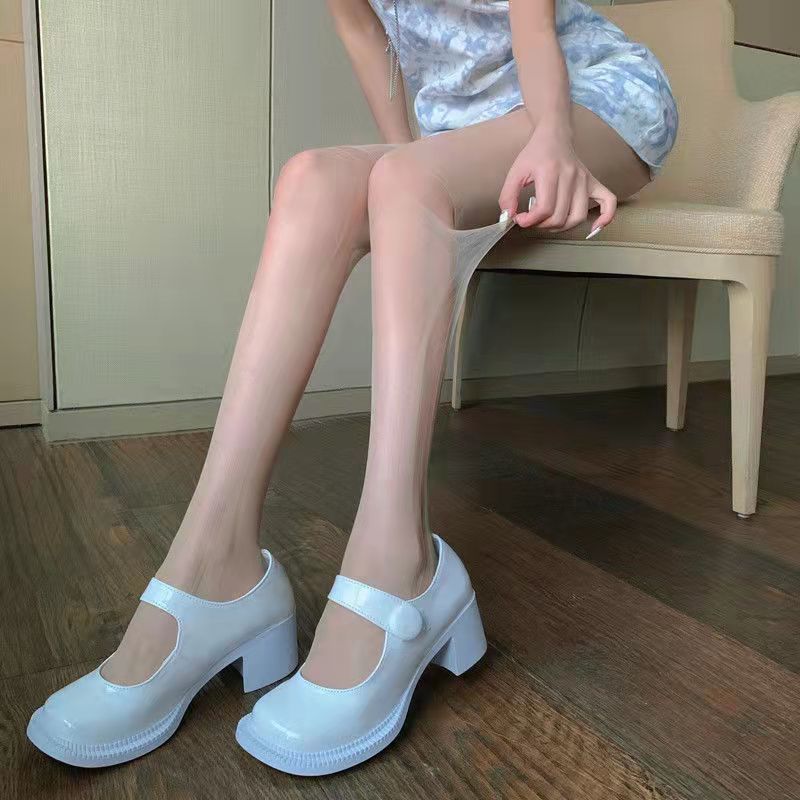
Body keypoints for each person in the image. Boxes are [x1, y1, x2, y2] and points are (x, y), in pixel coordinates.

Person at [27, 0, 678, 776]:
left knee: (407, 178)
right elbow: (362, 32)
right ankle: (215, 566)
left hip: (588, 98)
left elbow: (532, 27)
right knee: (313, 179)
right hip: (468, 124)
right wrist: (406, 174)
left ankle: (400, 565)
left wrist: (550, 139)